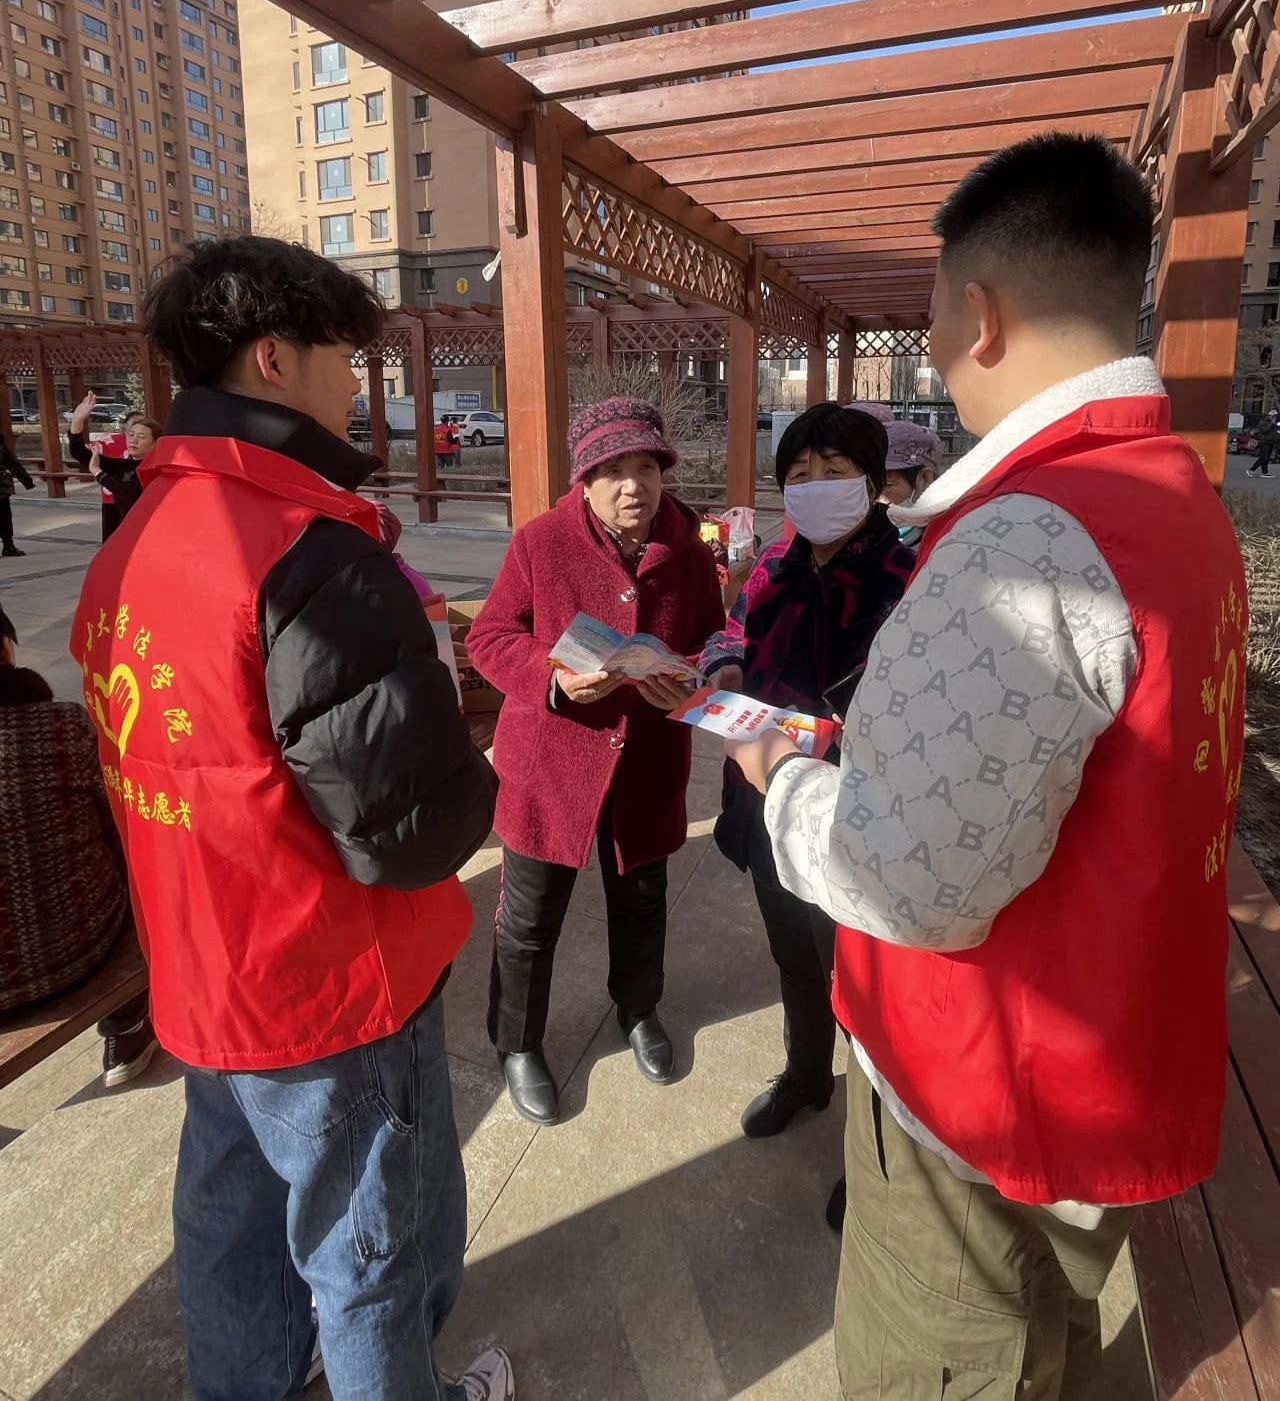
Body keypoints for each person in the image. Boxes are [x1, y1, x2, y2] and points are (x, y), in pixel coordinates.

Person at [729, 132, 1247, 1401]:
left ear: (980, 313)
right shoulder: (1171, 494)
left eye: (931, 320)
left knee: (956, 1361)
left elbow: (907, 880)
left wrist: (776, 780)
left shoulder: (1024, 537)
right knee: (1047, 1344)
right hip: (1106, 1054)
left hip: (984, 1091)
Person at [71, 236, 512, 1401]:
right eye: (343, 356)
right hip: (330, 985)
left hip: (203, 971)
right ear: (274, 358)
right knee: (371, 1262)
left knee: (231, 1244)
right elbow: (411, 826)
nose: (355, 383)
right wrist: (482, 750)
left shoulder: (130, 539)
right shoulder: (303, 548)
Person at [467, 397, 724, 1125]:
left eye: (646, 467)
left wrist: (696, 674)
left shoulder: (689, 549)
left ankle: (638, 1009)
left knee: (641, 900)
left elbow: (713, 637)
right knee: (529, 917)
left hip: (646, 761)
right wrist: (551, 680)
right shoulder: (541, 542)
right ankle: (518, 1041)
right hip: (551, 763)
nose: (632, 486)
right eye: (612, 471)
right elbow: (490, 636)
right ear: (583, 480)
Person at [698, 404, 915, 1215]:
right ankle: (804, 1075)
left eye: (834, 470)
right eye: (799, 474)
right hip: (766, 800)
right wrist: (722, 673)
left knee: (866, 990)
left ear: (871, 479)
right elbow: (727, 633)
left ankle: (874, 1149)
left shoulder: (908, 576)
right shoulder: (771, 564)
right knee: (795, 955)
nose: (816, 486)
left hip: (858, 817)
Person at [0, 602, 155, 1085]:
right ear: (5, 650)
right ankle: (127, 1025)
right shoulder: (62, 726)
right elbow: (120, 827)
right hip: (77, 949)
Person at [67, 397, 162, 529]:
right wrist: (77, 420)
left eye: (141, 437)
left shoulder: (158, 469)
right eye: (131, 435)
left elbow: (127, 492)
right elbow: (79, 452)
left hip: (149, 529)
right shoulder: (121, 465)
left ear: (155, 443)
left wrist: (98, 473)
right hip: (123, 527)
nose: (133, 440)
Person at [878, 421, 943, 547]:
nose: (873, 498)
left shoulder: (947, 537)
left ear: (924, 478)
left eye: (887, 484)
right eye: (867, 485)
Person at [1, 434, 35, 557]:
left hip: (1, 489)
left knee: (4, 518)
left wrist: (27, 481)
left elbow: (12, 462)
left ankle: (8, 545)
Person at [1247, 407, 1278, 476]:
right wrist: (1271, 424)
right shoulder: (1263, 422)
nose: (1273, 417)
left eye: (1275, 416)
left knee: (1266, 458)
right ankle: (1251, 470)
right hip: (1264, 442)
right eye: (1272, 416)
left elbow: (1274, 432)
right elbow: (1264, 430)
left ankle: (1265, 472)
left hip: (1270, 442)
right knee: (1263, 457)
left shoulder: (1274, 423)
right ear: (1269, 415)